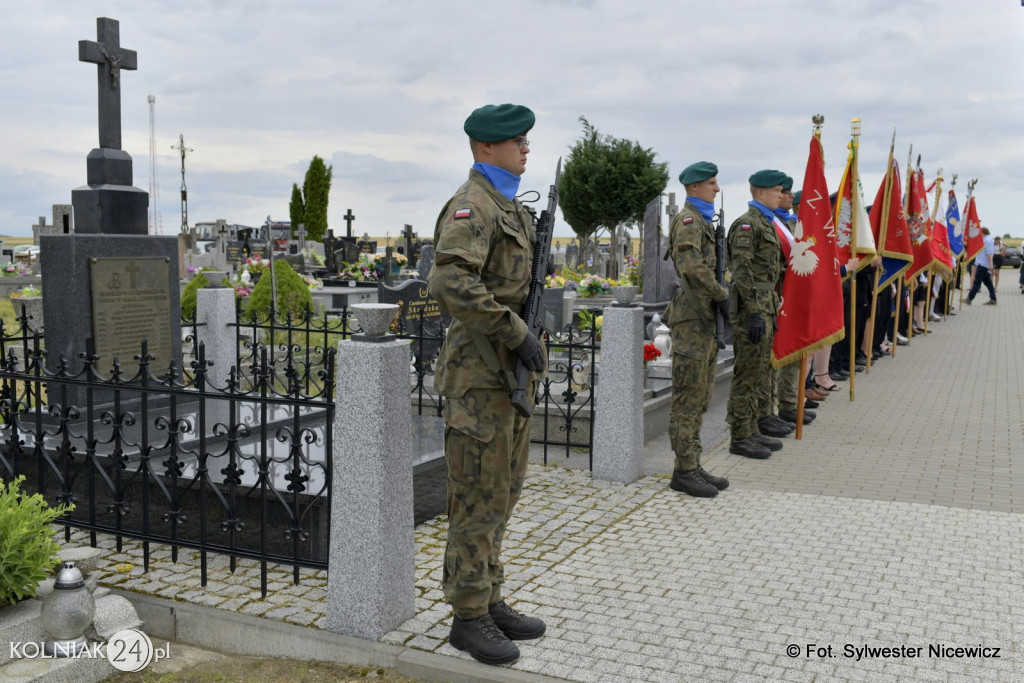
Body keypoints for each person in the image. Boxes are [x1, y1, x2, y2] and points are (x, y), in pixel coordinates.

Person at [428, 103, 546, 666]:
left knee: (503, 494)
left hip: (505, 377)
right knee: (477, 499)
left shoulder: (509, 209)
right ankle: (468, 617)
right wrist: (516, 331)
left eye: (525, 140)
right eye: (517, 141)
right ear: (485, 147)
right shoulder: (473, 206)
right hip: (478, 377)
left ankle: (491, 596)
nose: (526, 148)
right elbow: (450, 279)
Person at [664, 161, 731, 498]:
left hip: (702, 319)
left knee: (701, 394)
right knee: (688, 396)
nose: (716, 189)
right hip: (692, 319)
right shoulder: (689, 221)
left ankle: (692, 462)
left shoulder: (703, 222)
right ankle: (683, 469)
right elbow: (692, 267)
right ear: (694, 188)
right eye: (711, 183)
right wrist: (722, 295)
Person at [726, 169, 789, 459]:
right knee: (747, 374)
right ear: (760, 193)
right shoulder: (747, 226)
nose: (781, 194)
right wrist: (752, 311)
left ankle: (752, 429)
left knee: (761, 371)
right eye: (777, 190)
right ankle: (740, 436)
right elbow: (742, 271)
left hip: (766, 304)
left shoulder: (766, 223)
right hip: (753, 308)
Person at [966, 226, 997, 306]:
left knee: (977, 282)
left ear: (983, 233)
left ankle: (969, 298)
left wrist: (990, 264)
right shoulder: (986, 239)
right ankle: (993, 299)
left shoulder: (987, 240)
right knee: (988, 283)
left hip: (984, 265)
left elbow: (989, 253)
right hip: (983, 264)